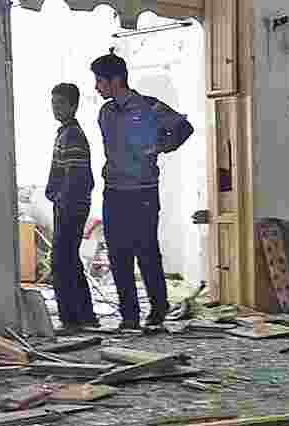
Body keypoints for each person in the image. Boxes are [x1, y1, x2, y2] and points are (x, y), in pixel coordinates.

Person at [90, 50, 194, 330]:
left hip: (143, 191)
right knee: (118, 253)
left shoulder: (150, 106)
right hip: (114, 191)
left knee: (146, 250)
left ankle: (158, 308)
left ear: (116, 80)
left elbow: (184, 128)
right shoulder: (106, 112)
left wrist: (161, 146)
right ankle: (129, 316)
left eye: (100, 81)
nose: (96, 87)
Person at [45, 82, 98, 333]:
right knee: (69, 261)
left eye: (61, 103)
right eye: (53, 103)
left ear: (74, 106)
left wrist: (62, 201)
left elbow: (76, 177)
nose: (56, 108)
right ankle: (85, 316)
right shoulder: (64, 132)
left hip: (71, 206)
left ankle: (71, 320)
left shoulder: (73, 135)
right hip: (67, 204)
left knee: (61, 261)